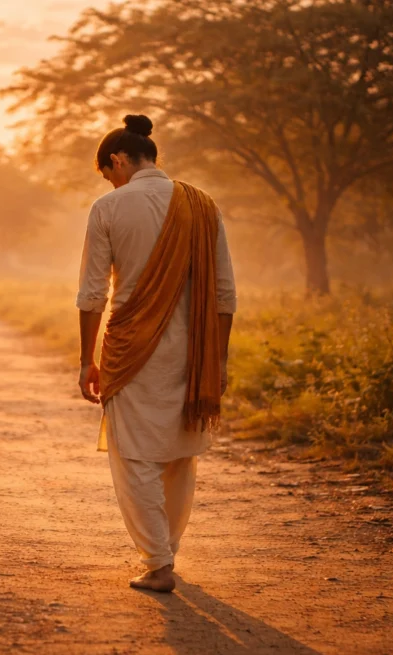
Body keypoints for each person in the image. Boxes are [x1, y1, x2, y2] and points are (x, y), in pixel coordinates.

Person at [76, 114, 237, 593]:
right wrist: (220, 360)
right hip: (194, 348)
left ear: (119, 160)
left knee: (134, 457)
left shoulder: (108, 208)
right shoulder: (203, 206)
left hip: (130, 349)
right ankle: (165, 552)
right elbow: (225, 293)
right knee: (179, 456)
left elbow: (91, 294)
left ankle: (156, 561)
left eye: (109, 172)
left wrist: (88, 359)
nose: (111, 180)